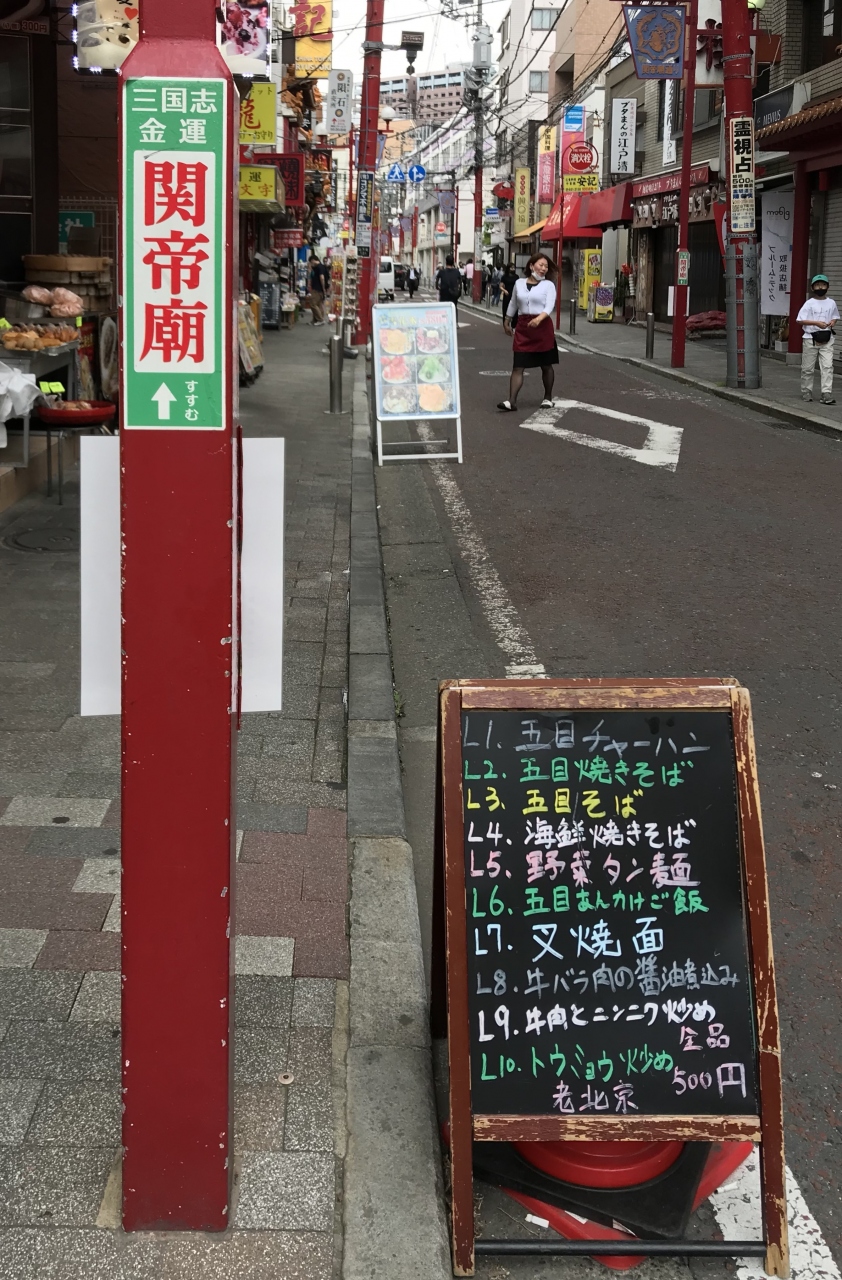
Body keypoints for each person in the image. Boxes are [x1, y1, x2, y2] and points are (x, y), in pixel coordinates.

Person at [498, 253, 558, 412]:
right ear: (531, 266)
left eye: (546, 266)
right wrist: (506, 320)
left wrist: (539, 319)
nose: (543, 269)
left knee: (546, 365)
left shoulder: (549, 286)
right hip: (524, 326)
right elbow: (513, 303)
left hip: (543, 327)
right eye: (541, 265)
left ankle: (548, 397)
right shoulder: (519, 283)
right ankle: (511, 401)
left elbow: (549, 306)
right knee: (518, 365)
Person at [797, 273, 840, 405]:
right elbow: (800, 320)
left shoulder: (831, 302)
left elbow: (835, 317)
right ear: (812, 288)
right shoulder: (809, 303)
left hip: (827, 338)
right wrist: (816, 323)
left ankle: (826, 393)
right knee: (808, 368)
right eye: (817, 285)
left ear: (827, 287)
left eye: (823, 285)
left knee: (827, 367)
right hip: (810, 338)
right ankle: (806, 391)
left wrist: (833, 322)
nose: (820, 287)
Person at [308, 254, 328, 326]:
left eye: (311, 262)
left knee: (313, 304)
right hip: (317, 288)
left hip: (317, 289)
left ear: (313, 260)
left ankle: (320, 319)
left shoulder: (320, 267)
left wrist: (323, 289)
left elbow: (322, 278)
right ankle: (315, 320)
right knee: (318, 305)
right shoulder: (317, 267)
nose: (311, 264)